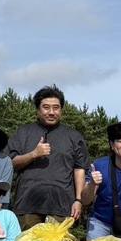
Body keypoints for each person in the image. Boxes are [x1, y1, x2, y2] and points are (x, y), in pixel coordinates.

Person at [7, 85, 89, 230]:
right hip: (27, 204)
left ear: (61, 110)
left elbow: (79, 169)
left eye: (56, 107)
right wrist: (34, 154)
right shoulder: (23, 133)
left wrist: (78, 200)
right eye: (46, 107)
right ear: (38, 110)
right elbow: (11, 163)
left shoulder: (73, 136)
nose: (51, 112)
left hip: (62, 205)